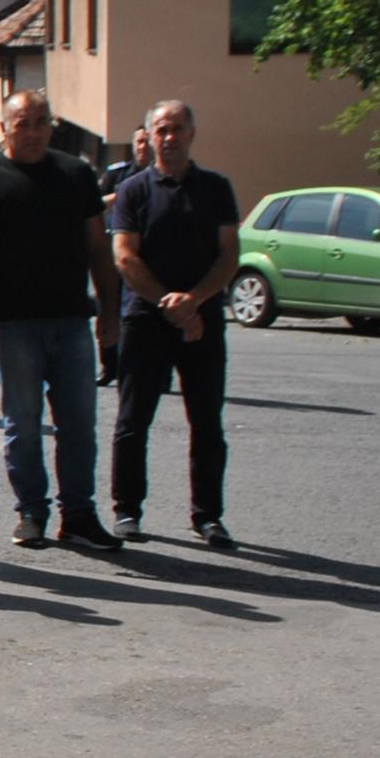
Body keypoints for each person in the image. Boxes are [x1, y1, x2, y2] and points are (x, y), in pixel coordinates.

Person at [0, 91, 123, 553]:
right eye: (21, 123)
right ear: (3, 128)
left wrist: (110, 313)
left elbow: (97, 250)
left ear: (53, 126)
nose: (31, 131)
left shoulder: (76, 174)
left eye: (40, 122)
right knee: (22, 425)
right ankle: (31, 511)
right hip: (13, 324)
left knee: (79, 424)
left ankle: (80, 515)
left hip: (71, 321)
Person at [108, 99, 241, 549]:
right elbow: (125, 256)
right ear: (150, 136)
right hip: (145, 320)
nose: (170, 137)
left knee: (207, 423)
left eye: (178, 128)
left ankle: (207, 516)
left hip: (203, 321)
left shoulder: (217, 188)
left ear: (192, 134)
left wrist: (195, 302)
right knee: (132, 421)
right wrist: (169, 304)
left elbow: (229, 254)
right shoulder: (134, 190)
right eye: (162, 129)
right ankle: (127, 511)